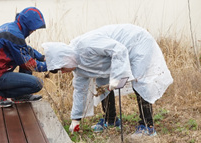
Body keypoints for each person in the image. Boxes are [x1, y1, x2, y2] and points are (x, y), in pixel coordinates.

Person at [43, 24, 173, 136]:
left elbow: (119, 50)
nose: (64, 72)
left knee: (139, 81)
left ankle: (147, 126)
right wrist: (75, 120)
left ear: (65, 58)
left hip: (136, 42)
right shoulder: (78, 66)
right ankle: (110, 121)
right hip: (122, 50)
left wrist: (117, 78)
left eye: (62, 68)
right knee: (102, 85)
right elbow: (80, 91)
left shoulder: (86, 45)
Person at [0, 6, 48, 107]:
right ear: (27, 25)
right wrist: (50, 66)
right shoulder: (15, 35)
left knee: (29, 53)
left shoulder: (12, 29)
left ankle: (21, 96)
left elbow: (26, 50)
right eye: (33, 28)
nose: (34, 31)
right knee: (37, 84)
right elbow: (28, 64)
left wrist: (42, 57)